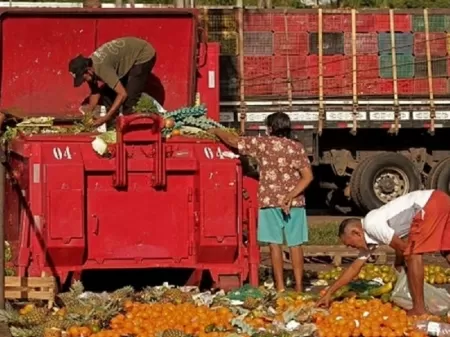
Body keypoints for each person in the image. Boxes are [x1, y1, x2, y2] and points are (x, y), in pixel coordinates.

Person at [208, 112, 313, 292]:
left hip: (270, 201)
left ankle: (280, 287)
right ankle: (299, 287)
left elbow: (234, 141)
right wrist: (290, 195)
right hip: (294, 203)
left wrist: (215, 130)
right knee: (296, 245)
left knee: (274, 246)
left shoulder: (263, 144)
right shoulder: (296, 147)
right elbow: (308, 177)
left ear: (270, 128)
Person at [316, 189, 450, 315]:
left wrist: (399, 264)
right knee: (447, 250)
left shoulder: (371, 224)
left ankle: (419, 309)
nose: (351, 248)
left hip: (428, 204)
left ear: (356, 232)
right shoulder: (369, 236)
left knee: (413, 255)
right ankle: (419, 306)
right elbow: (354, 268)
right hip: (441, 200)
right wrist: (330, 292)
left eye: (350, 244)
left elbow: (404, 249)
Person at [68, 37, 156, 127]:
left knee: (129, 100)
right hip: (127, 56)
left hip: (143, 54)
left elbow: (122, 94)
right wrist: (88, 114)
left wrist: (106, 117)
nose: (83, 82)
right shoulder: (89, 67)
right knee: (107, 96)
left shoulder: (102, 69)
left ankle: (126, 132)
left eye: (83, 79)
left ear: (88, 71)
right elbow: (95, 92)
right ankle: (112, 127)